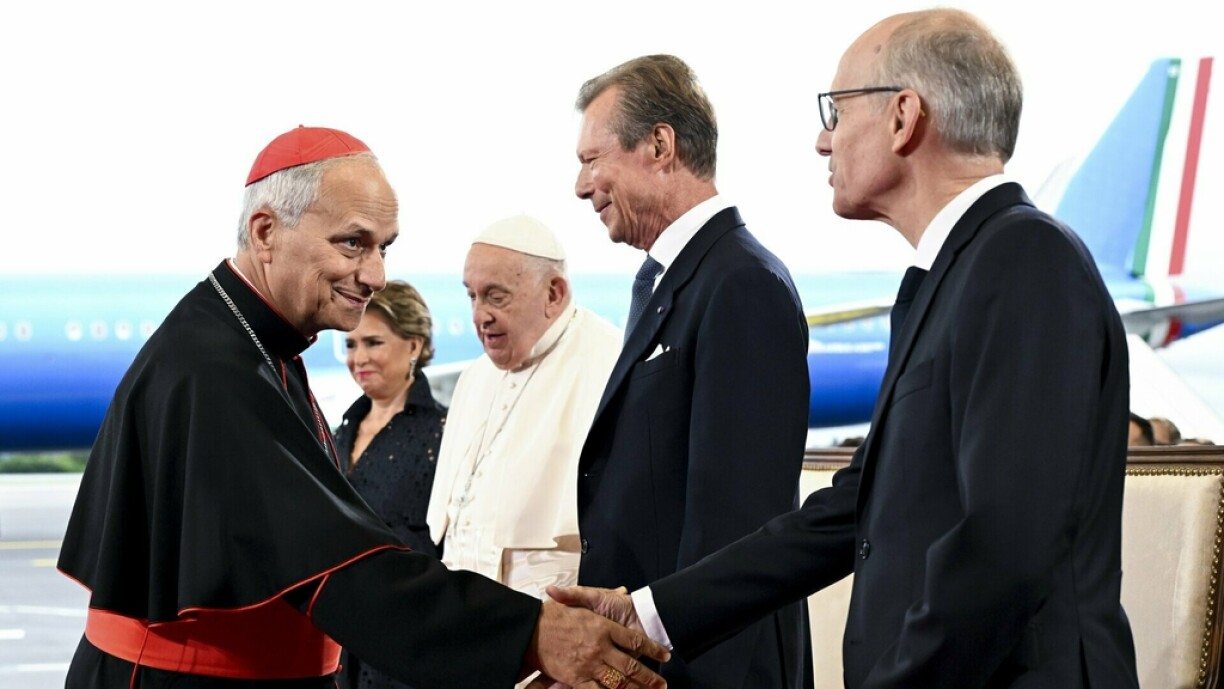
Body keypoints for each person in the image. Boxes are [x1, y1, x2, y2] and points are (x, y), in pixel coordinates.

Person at [556, 10, 1141, 687]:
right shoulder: (954, 274)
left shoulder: (1024, 257)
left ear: (903, 118)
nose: (821, 140)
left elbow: (1003, 549)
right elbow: (849, 513)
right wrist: (649, 614)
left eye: (836, 110)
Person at [56, 125, 668, 689]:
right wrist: (533, 635)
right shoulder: (214, 370)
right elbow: (346, 574)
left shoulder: (260, 346)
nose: (375, 275)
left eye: (383, 248)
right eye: (353, 243)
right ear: (266, 232)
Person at [572, 54, 811, 688]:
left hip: (707, 668)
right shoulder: (664, 280)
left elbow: (738, 528)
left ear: (659, 146)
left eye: (592, 160)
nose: (581, 186)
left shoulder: (741, 283)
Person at [427, 215, 621, 601]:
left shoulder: (610, 364)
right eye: (472, 296)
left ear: (554, 293)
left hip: (558, 616)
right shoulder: (475, 377)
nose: (479, 316)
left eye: (496, 296)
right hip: (466, 614)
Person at [333, 280, 445, 689]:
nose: (358, 357)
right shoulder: (336, 432)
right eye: (351, 344)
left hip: (412, 640)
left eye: (373, 342)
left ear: (414, 345)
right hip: (340, 640)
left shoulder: (446, 432)